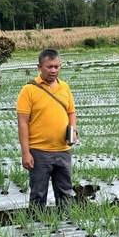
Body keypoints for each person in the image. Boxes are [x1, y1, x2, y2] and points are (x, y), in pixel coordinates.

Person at [16, 49, 78, 209]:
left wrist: (73, 130)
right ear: (39, 67)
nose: (53, 70)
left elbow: (71, 112)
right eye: (49, 67)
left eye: (57, 67)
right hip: (39, 152)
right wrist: (26, 153)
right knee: (38, 193)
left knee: (65, 191)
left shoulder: (64, 87)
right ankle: (36, 228)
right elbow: (22, 123)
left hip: (63, 150)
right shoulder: (28, 90)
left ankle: (66, 225)